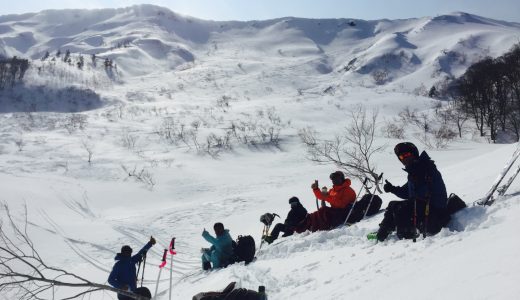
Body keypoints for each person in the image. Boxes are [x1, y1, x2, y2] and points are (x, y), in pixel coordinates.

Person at [376, 142, 450, 242]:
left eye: (406, 155)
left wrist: (419, 201)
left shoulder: (426, 168)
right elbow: (407, 192)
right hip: (424, 211)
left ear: (414, 153)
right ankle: (384, 230)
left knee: (400, 207)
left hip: (434, 215)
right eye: (401, 157)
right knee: (393, 205)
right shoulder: (414, 171)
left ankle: (405, 235)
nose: (404, 159)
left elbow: (437, 196)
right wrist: (392, 188)